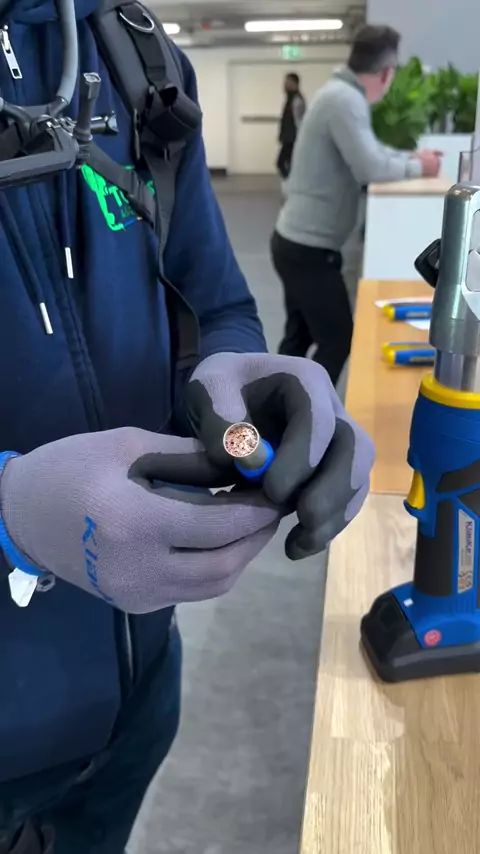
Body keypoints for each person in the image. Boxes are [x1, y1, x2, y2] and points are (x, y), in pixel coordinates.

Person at [0, 1, 375, 851]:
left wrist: (237, 378)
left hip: (135, 707)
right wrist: (10, 510)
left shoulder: (133, 56)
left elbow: (215, 297)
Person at [271, 25, 442, 386]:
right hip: (308, 248)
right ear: (386, 73)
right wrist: (419, 167)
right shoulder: (344, 100)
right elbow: (370, 167)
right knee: (337, 338)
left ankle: (278, 405)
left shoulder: (340, 95)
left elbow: (372, 152)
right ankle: (307, 408)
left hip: (296, 242)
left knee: (299, 337)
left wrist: (411, 158)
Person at [276, 72, 306, 180]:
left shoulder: (297, 101)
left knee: (282, 163)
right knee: (287, 163)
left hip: (293, 139)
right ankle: (292, 183)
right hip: (288, 138)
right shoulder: (290, 99)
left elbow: (300, 121)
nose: (284, 85)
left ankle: (292, 183)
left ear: (295, 84)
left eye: (287, 82)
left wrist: (299, 139)